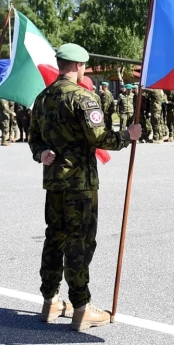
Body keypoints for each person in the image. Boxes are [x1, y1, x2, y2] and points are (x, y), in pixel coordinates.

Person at [29, 43, 141, 331]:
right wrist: (128, 135)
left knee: (55, 238)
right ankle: (81, 307)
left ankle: (50, 301)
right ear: (79, 66)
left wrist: (41, 153)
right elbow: (100, 137)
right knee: (79, 241)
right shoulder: (83, 97)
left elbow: (33, 139)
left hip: (54, 180)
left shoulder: (42, 98)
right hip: (79, 183)